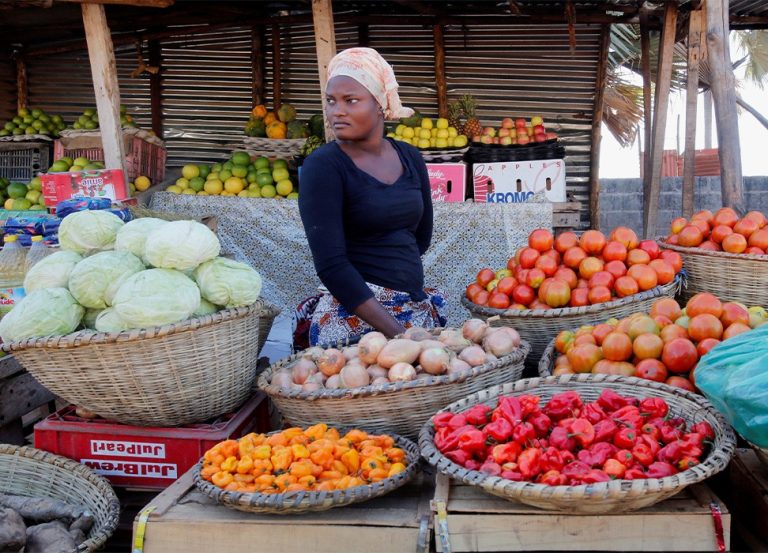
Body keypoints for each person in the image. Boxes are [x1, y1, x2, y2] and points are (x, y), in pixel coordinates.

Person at [295, 47, 446, 348]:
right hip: (355, 321)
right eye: (331, 101)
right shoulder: (323, 166)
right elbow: (331, 265)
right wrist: (400, 335)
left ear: (379, 103)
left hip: (412, 311)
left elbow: (421, 237)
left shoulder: (409, 156)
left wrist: (404, 307)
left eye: (351, 100)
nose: (337, 111)